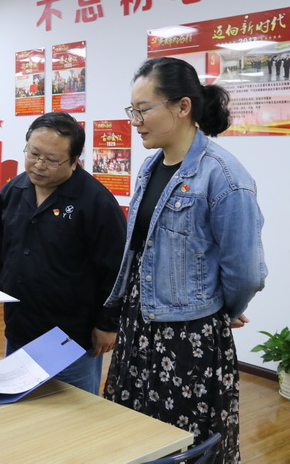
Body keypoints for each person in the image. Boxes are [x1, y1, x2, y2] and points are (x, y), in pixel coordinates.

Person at [103, 57, 267, 462]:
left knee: (181, 444)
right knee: (132, 438)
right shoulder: (150, 167)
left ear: (182, 107)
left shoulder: (224, 176)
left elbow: (246, 271)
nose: (135, 121)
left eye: (143, 110)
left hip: (187, 338)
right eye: (132, 111)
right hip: (139, 324)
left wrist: (221, 309)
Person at [0, 112, 126, 394]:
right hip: (20, 326)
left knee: (72, 411)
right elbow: (2, 250)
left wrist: (108, 325)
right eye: (33, 154)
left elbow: (116, 269)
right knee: (18, 404)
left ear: (74, 161)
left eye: (52, 160)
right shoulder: (13, 192)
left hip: (71, 337)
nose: (39, 165)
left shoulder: (96, 202)